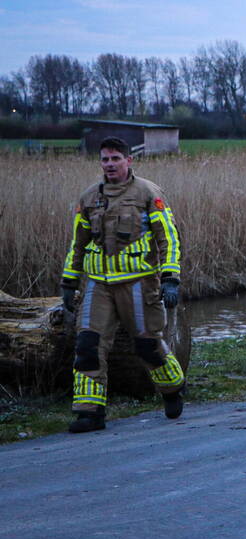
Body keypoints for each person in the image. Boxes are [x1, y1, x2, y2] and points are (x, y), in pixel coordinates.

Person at [60, 136, 185, 433]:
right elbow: (77, 244)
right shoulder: (89, 197)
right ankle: (89, 413)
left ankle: (173, 388)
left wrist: (170, 278)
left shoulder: (148, 192)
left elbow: (168, 237)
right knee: (88, 345)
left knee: (147, 346)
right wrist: (69, 281)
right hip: (97, 285)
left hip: (139, 283)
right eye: (105, 159)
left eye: (116, 159)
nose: (110, 164)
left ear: (129, 161)